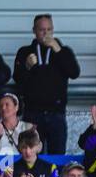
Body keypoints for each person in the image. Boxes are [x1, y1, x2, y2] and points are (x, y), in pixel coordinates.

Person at [12, 15, 79, 154]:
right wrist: (27, 67)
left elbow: (74, 72)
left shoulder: (63, 51)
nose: (46, 33)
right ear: (34, 31)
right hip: (32, 113)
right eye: (42, 29)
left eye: (49, 29)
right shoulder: (25, 52)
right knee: (31, 154)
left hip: (56, 113)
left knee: (58, 155)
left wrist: (58, 50)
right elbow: (17, 79)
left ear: (53, 30)